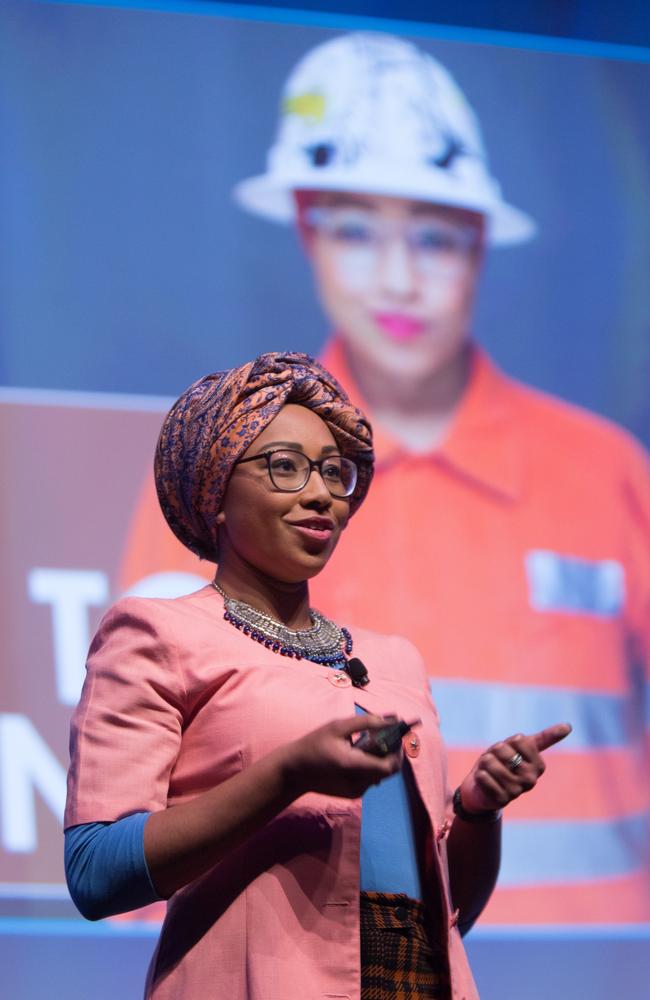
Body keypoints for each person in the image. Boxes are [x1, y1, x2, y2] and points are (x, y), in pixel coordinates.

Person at [119, 33, 650, 923]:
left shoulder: (607, 472)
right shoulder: (217, 487)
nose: (399, 279)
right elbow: (138, 827)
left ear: (480, 242)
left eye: (434, 238)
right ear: (307, 235)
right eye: (357, 230)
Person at [65, 353, 570, 999]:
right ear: (215, 491)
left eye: (336, 472)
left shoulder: (395, 661)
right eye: (284, 467)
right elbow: (97, 872)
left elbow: (448, 918)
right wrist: (287, 774)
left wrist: (476, 812)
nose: (320, 492)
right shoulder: (157, 634)